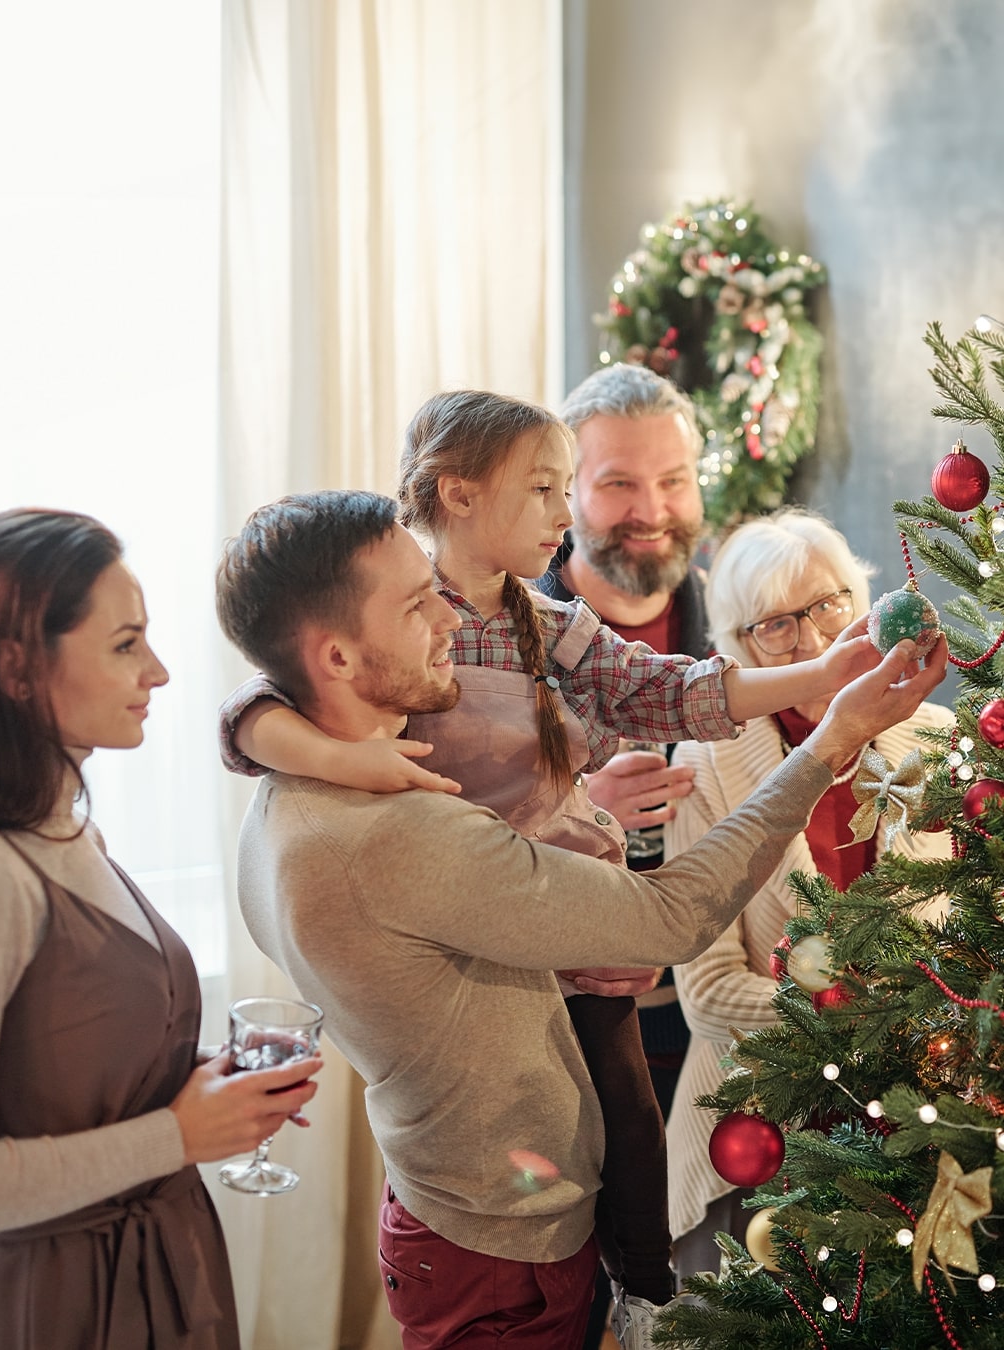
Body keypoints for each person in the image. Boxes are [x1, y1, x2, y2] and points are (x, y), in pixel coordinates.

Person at [217, 391, 883, 1349]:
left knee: (629, 1131)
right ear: (456, 497)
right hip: (510, 959)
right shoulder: (389, 667)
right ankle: (643, 1293)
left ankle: (639, 1290)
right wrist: (338, 756)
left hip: (564, 916)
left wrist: (818, 683)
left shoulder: (534, 618)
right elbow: (258, 699)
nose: (566, 513)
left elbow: (664, 688)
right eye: (553, 487)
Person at [0, 508, 323, 1350]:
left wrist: (208, 1087)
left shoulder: (72, 833)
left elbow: (69, 1066)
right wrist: (177, 1134)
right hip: (68, 1307)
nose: (161, 671)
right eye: (125, 644)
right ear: (16, 669)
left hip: (173, 1265)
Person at [663, 508, 954, 1286]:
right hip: (760, 1134)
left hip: (916, 1116)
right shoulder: (708, 764)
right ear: (737, 647)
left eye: (828, 606)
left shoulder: (935, 736)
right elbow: (706, 992)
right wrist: (842, 1014)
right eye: (777, 626)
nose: (815, 640)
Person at [543, 363, 709, 1350]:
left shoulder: (747, 620)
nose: (651, 512)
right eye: (617, 483)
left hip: (726, 1027)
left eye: (675, 480)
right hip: (564, 1043)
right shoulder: (495, 640)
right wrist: (577, 813)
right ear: (565, 493)